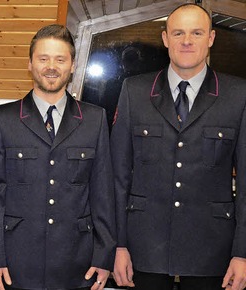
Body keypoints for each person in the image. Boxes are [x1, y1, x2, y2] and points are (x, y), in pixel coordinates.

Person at [111, 3, 246, 290]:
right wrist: (117, 246)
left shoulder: (238, 95)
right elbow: (117, 178)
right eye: (178, 33)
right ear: (165, 39)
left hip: (212, 253)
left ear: (211, 38)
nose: (187, 41)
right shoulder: (134, 92)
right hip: (142, 249)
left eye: (196, 33)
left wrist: (242, 253)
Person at [0, 24, 116, 290]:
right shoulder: (2, 120)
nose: (51, 66)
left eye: (60, 59)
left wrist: (104, 256)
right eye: (43, 58)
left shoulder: (94, 119)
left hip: (77, 262)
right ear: (30, 64)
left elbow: (102, 193)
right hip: (16, 263)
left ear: (72, 66)